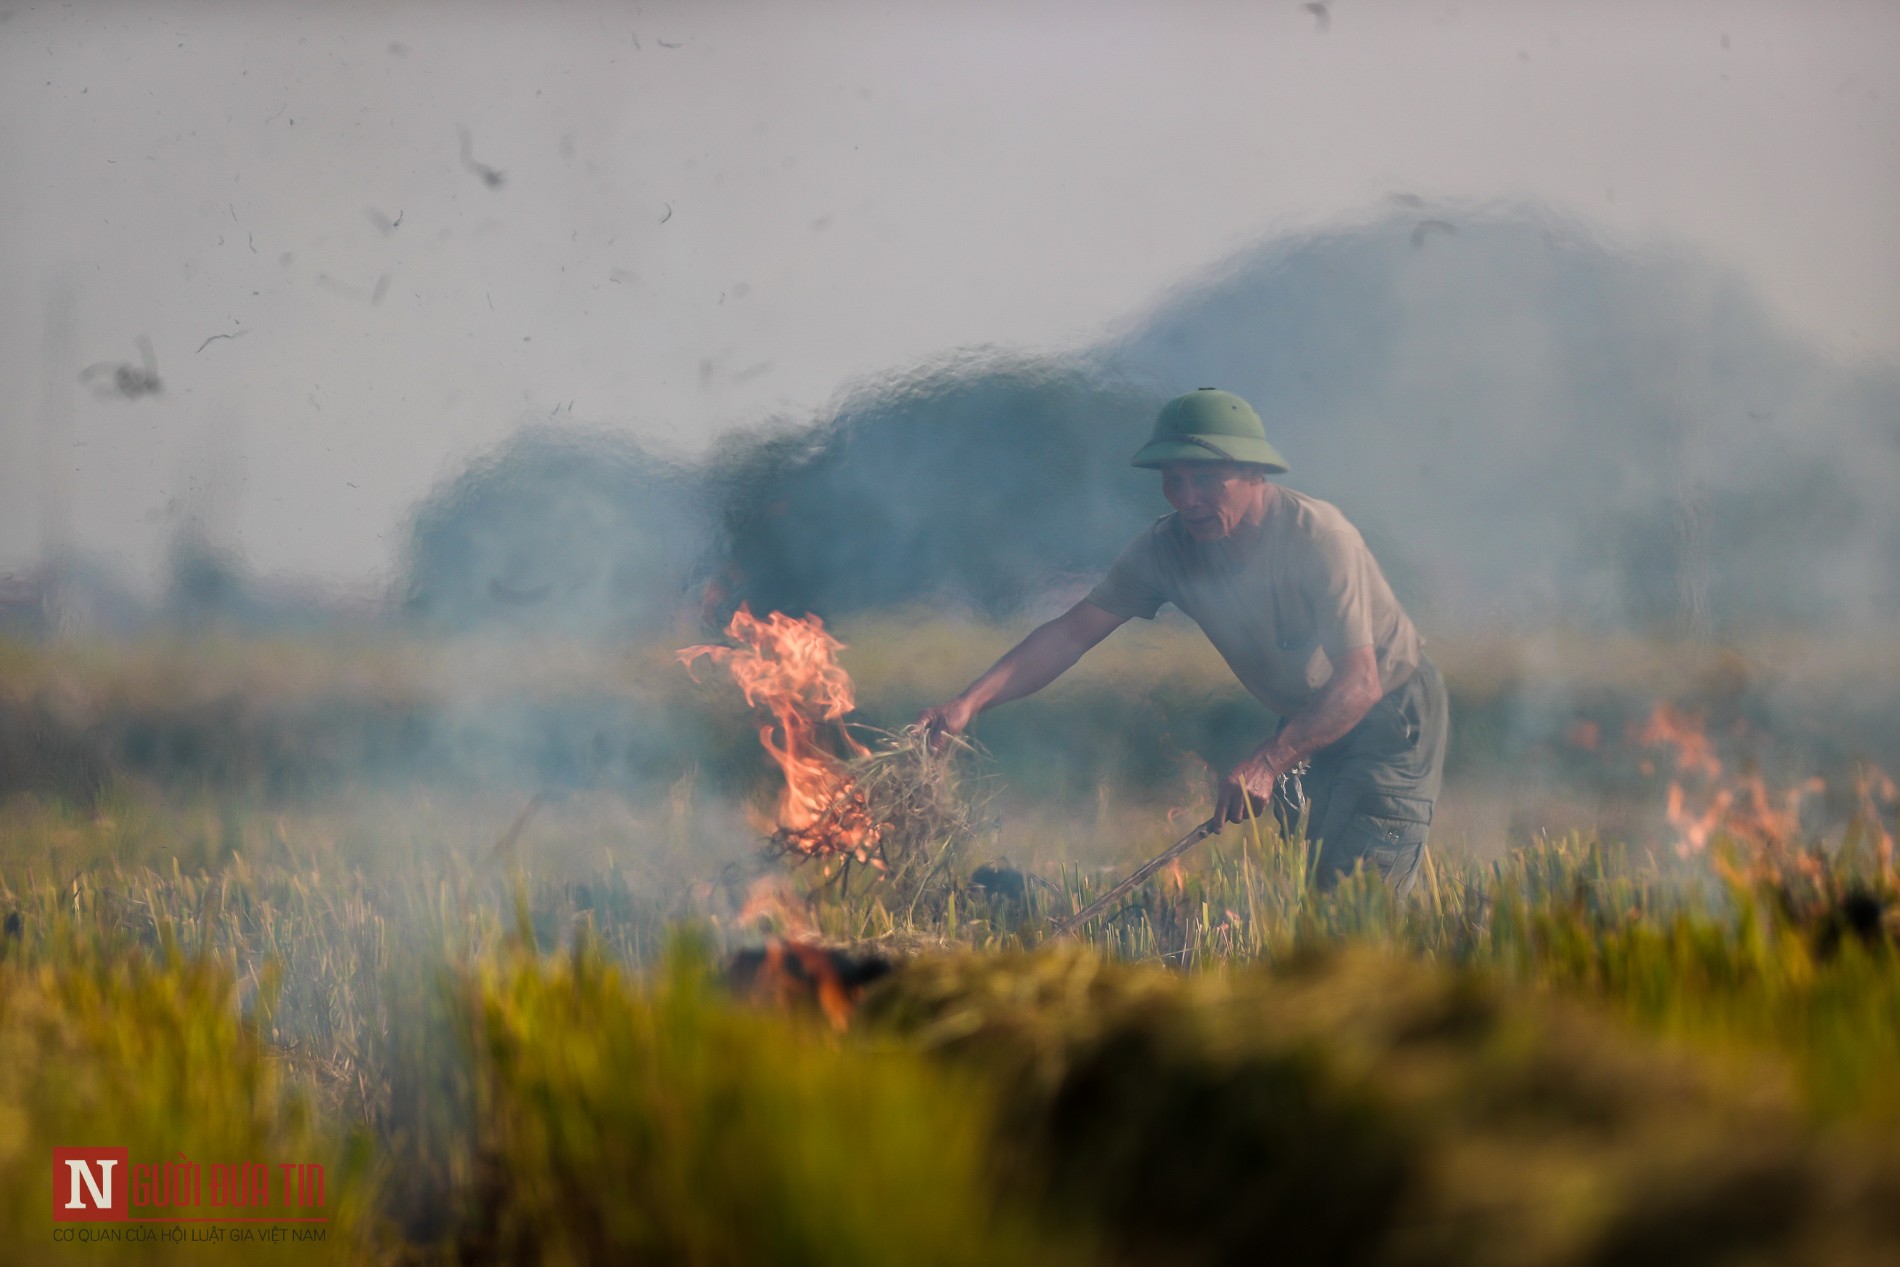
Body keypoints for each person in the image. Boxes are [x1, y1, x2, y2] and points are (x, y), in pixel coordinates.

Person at [916, 388, 1448, 895]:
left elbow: (1360, 683)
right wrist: (969, 703)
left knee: (1357, 894)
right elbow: (1072, 632)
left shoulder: (1318, 539)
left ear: (1253, 474)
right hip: (1309, 714)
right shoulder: (1166, 548)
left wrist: (1269, 760)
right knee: (1314, 881)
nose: (1188, 498)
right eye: (1174, 480)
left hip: (1389, 714)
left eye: (1207, 478)